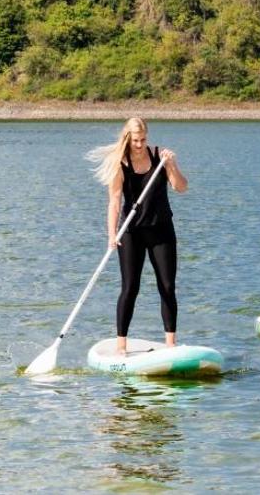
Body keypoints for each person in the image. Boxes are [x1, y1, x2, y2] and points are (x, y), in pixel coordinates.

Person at [89, 117, 188, 355]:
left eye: (143, 140)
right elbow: (114, 202)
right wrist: (112, 234)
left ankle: (171, 343)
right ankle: (121, 345)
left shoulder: (159, 157)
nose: (140, 145)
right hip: (131, 232)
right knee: (130, 287)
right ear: (128, 138)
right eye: (135, 140)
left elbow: (181, 187)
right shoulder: (120, 164)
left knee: (167, 286)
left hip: (161, 229)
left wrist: (172, 164)